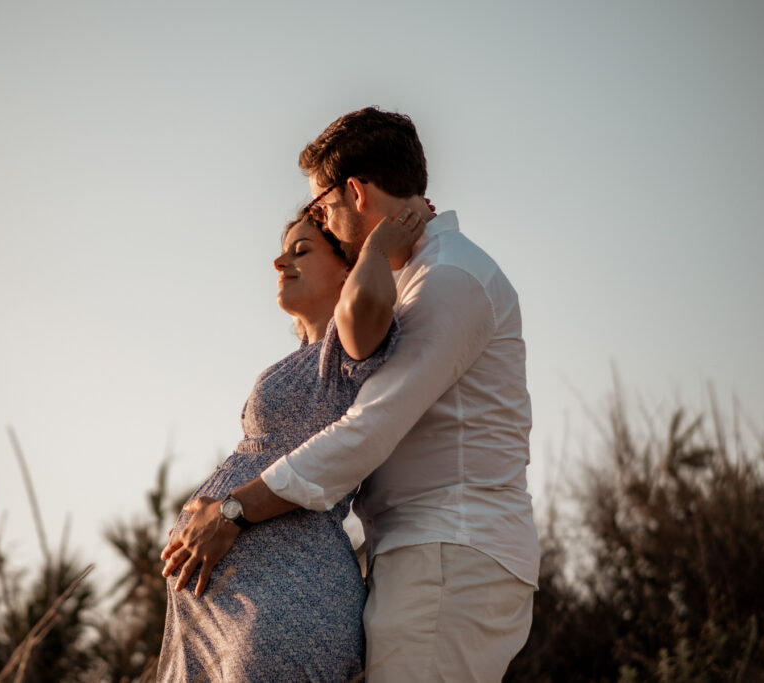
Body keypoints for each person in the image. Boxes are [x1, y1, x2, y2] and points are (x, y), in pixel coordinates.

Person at [162, 107, 540, 682]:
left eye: (323, 207)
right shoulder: (418, 276)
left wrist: (235, 511)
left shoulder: (450, 279)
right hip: (421, 554)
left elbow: (371, 427)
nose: (325, 223)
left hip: (451, 555)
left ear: (356, 193)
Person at [157, 206, 430, 681]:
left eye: (301, 251)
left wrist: (378, 247)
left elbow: (366, 305)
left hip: (285, 599)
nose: (279, 264)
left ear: (348, 264)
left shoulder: (344, 349)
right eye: (282, 253)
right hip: (241, 606)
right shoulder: (305, 357)